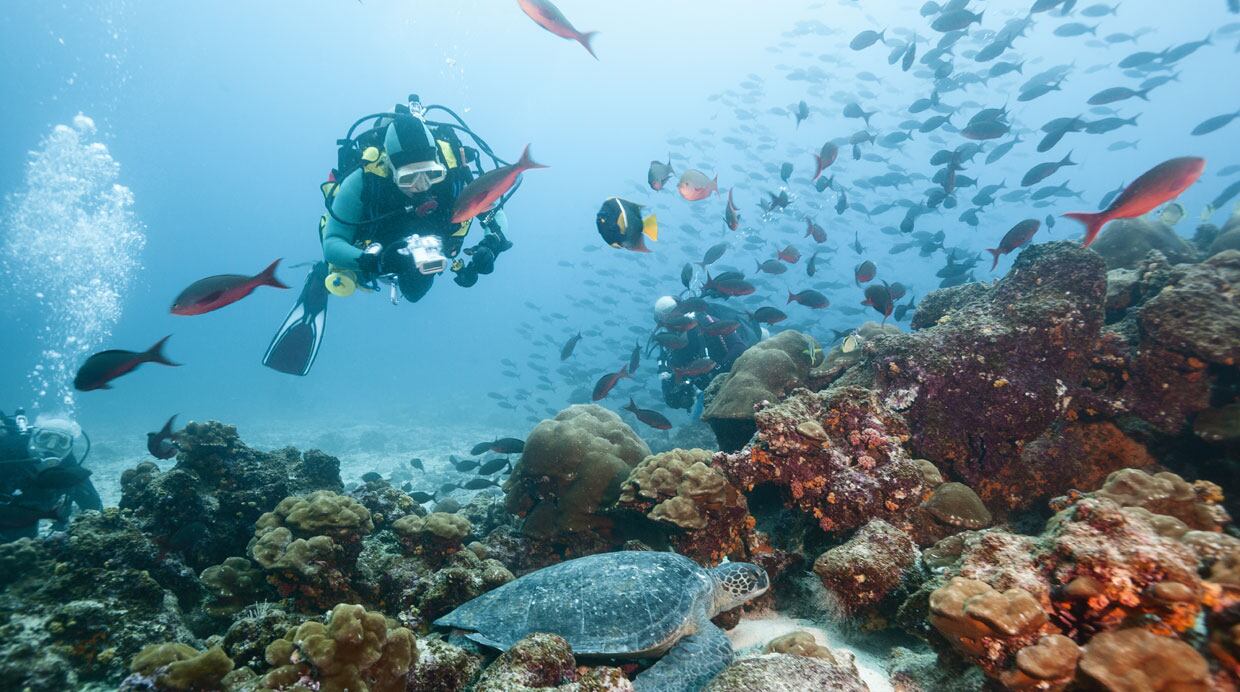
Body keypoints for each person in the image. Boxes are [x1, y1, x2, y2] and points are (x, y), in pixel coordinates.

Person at [264, 95, 515, 376]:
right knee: (349, 274)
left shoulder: (455, 174)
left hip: (430, 250)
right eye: (409, 178)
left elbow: (494, 213)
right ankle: (319, 283)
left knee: (416, 293)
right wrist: (375, 261)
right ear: (391, 168)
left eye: (431, 174)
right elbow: (332, 243)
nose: (422, 186)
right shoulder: (364, 180)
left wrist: (491, 244)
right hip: (375, 250)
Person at [0, 408, 101, 542]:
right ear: (33, 436)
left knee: (22, 540)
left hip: (25, 523)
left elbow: (93, 506)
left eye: (62, 442)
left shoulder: (69, 468)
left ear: (69, 448)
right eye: (45, 437)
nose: (51, 446)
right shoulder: (7, 451)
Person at [653, 297, 763, 411]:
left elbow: (739, 348)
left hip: (742, 371)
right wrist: (679, 393)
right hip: (716, 393)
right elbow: (678, 398)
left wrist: (718, 370)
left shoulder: (705, 322)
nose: (671, 324)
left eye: (673, 317)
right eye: (663, 321)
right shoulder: (669, 343)